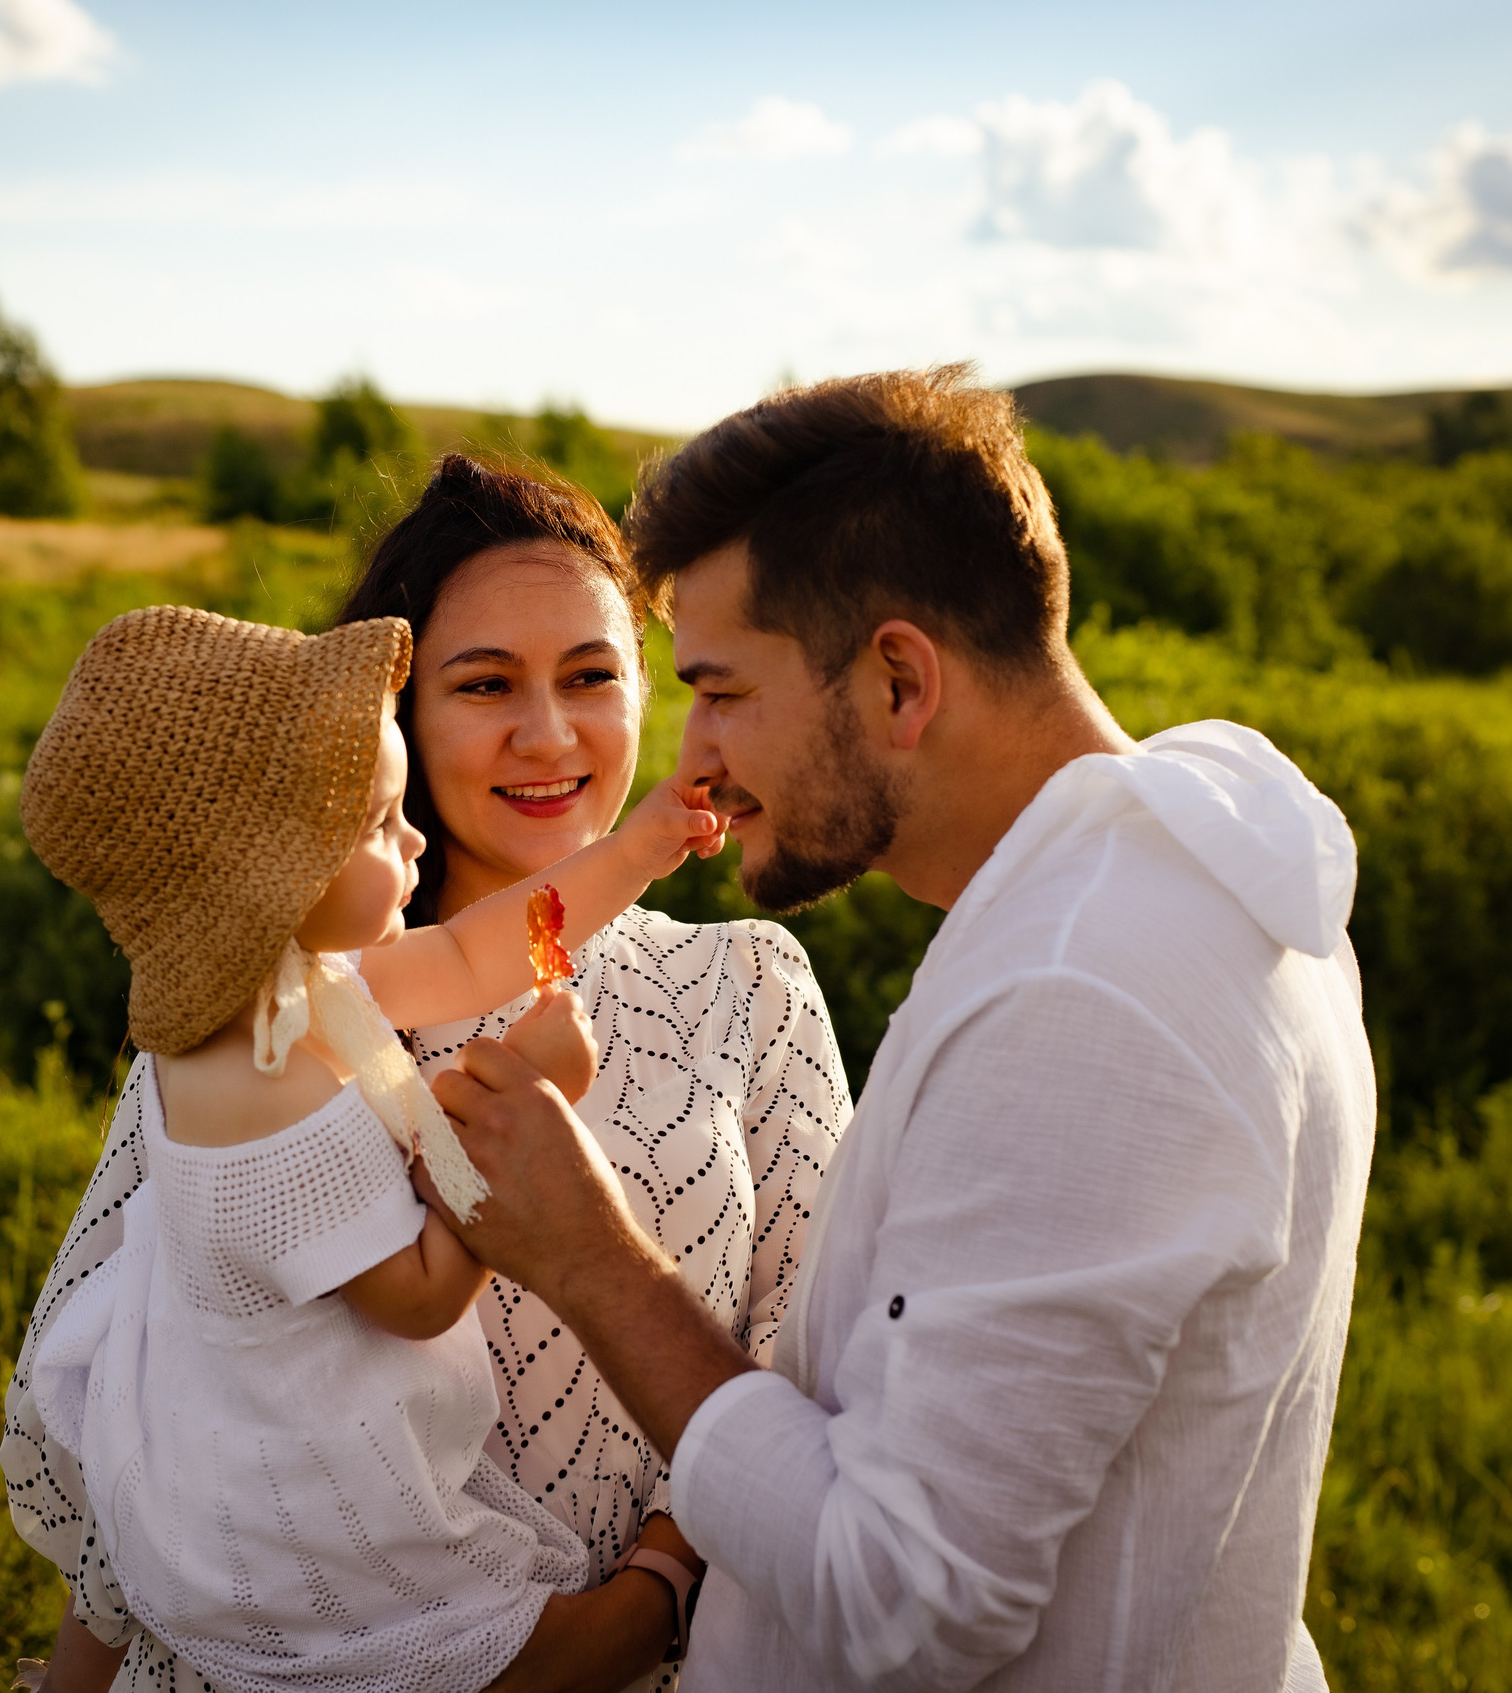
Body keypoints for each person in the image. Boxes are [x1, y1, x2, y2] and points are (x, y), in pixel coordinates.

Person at [422, 368, 1379, 1691]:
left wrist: (589, 1259)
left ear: (898, 680)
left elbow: (905, 1598)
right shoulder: (1190, 865)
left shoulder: (1085, 995)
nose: (691, 760)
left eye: (725, 689)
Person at [3, 455, 853, 1692]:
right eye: (485, 683)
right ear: (390, 733)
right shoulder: (256, 1018)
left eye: (591, 677)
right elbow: (146, 1429)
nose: (548, 733)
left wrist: (656, 1592)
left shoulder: (750, 987)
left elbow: (816, 1341)